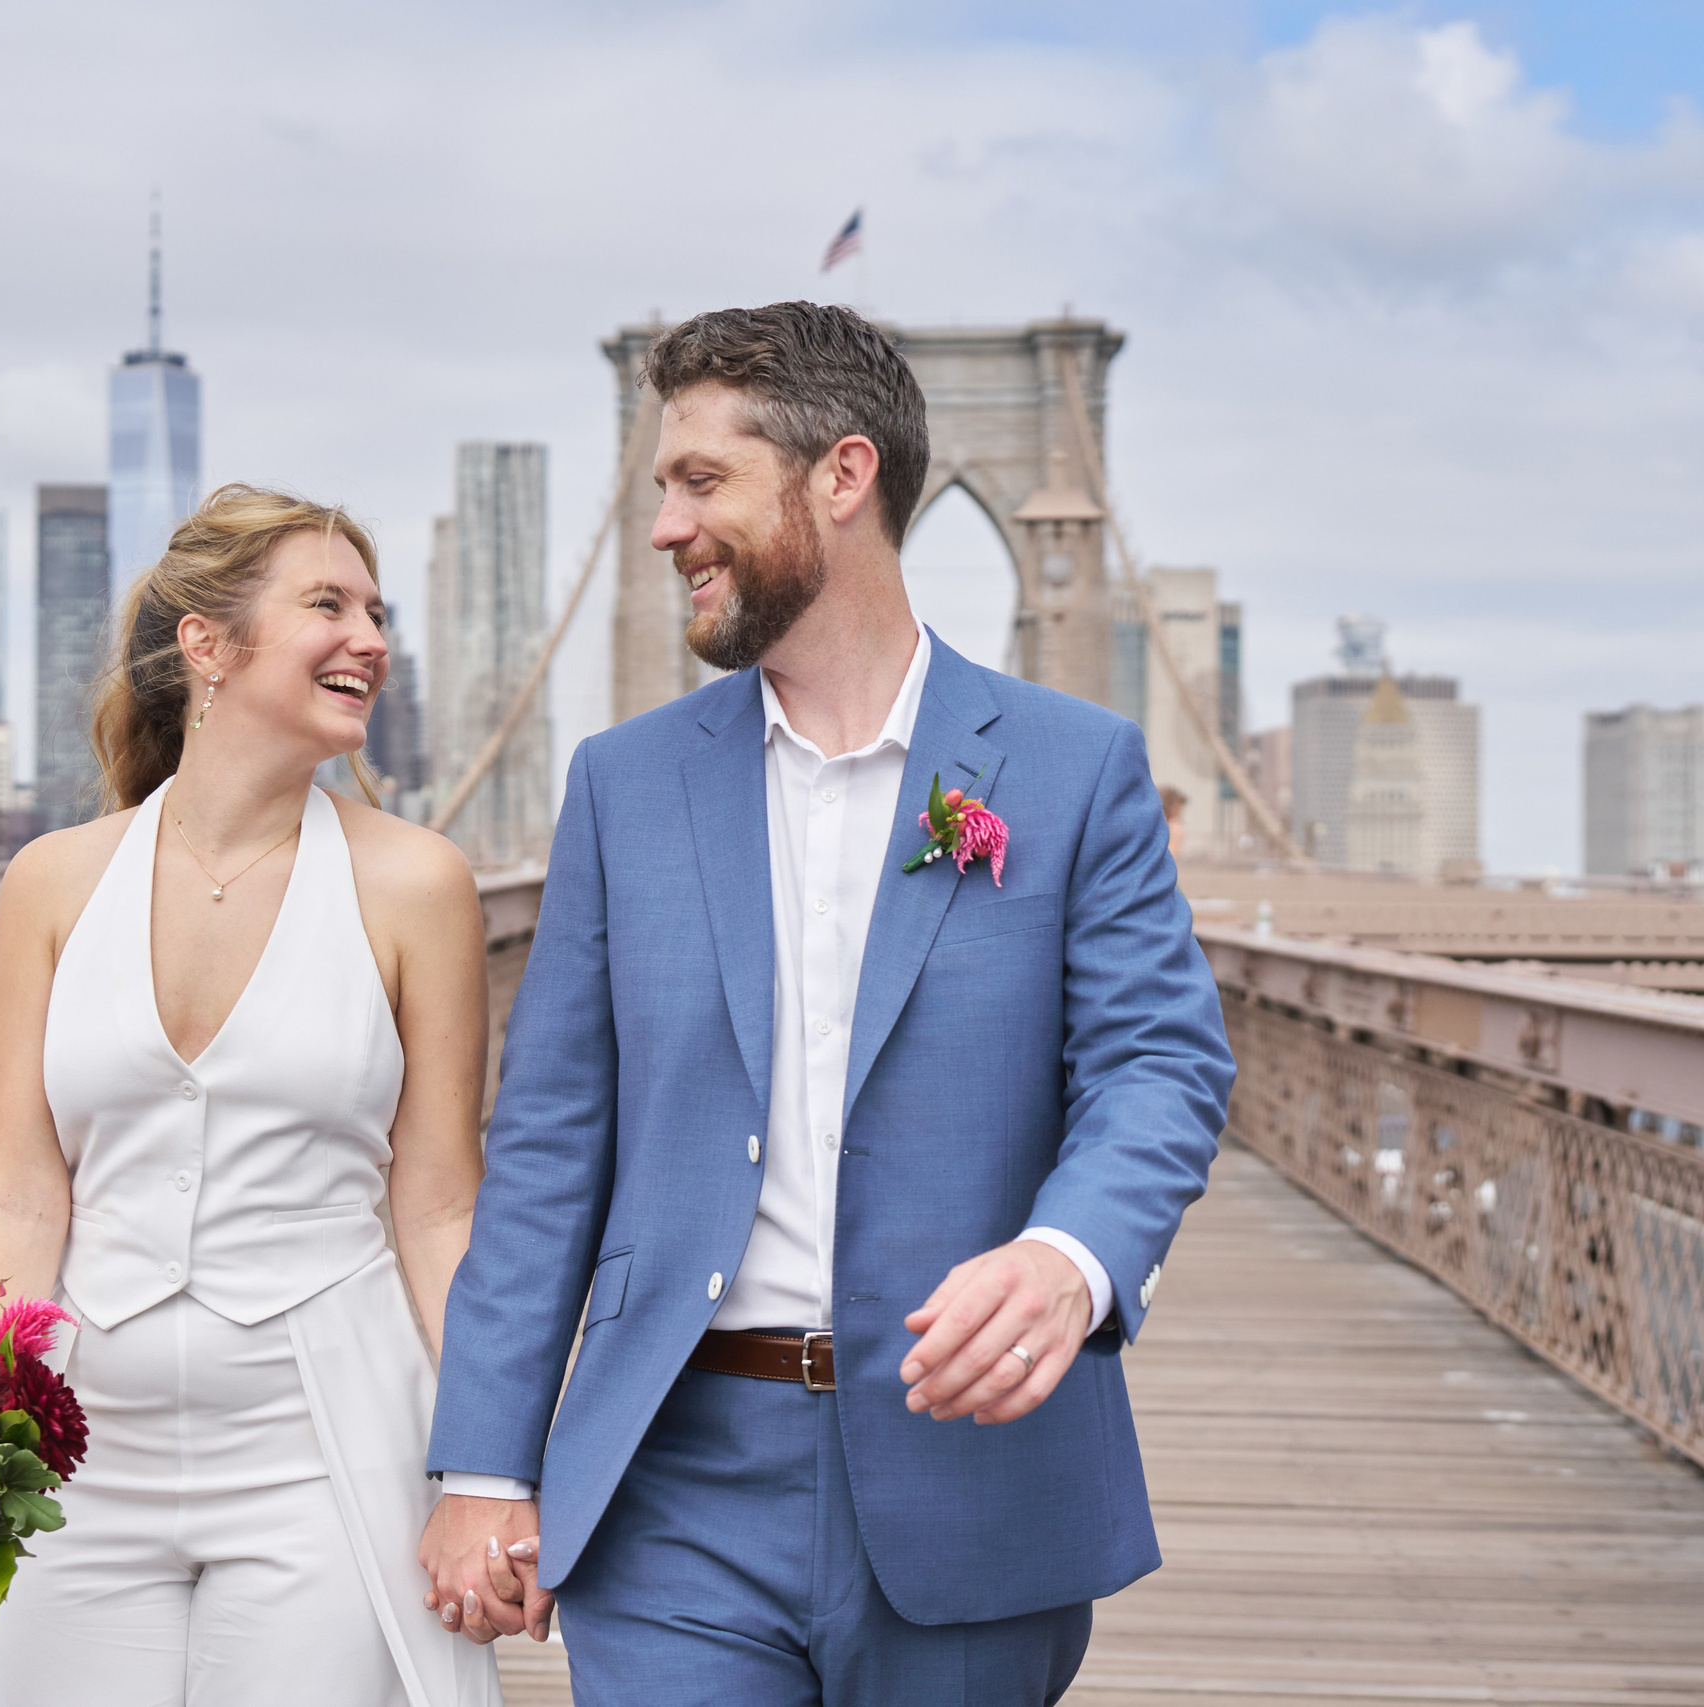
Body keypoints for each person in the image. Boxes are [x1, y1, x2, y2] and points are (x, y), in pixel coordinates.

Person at [419, 303, 1234, 1704]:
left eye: (699, 481)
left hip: (974, 1470)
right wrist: (483, 1460)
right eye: (658, 484)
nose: (665, 525)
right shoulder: (625, 784)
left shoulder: (1074, 767)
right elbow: (550, 1140)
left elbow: (1159, 1063)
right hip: (672, 1478)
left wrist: (1070, 1256)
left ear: (840, 477)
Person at [0, 485, 502, 1707]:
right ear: (205, 644)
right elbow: (12, 1192)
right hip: (78, 1457)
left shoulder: (418, 886)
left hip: (323, 1455)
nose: (369, 637)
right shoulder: (51, 884)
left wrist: (493, 1469)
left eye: (375, 611)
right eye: (325, 604)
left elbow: (437, 1209)